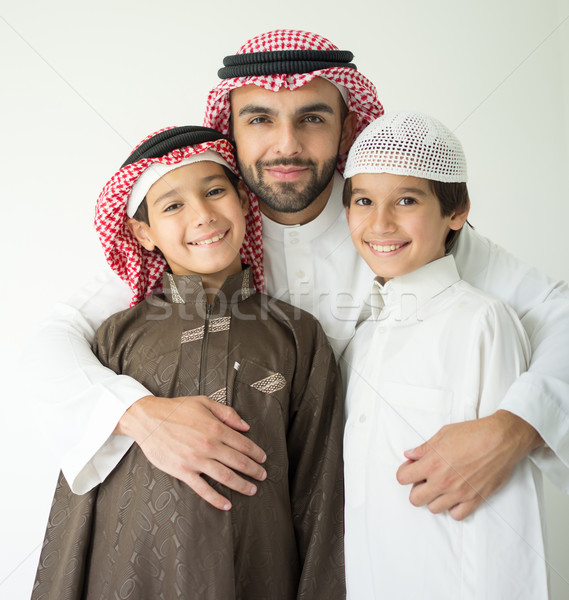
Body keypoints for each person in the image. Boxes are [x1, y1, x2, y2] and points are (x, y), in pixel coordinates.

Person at [30, 29, 569, 520]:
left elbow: (557, 313)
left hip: (404, 508)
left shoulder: (393, 223)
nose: (286, 144)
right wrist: (139, 415)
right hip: (258, 517)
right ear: (231, 130)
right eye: (260, 119)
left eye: (311, 117)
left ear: (347, 128)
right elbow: (55, 338)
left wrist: (517, 427)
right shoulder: (212, 235)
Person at [31, 126, 345, 599]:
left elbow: (320, 496)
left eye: (215, 191)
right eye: (173, 205)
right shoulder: (117, 335)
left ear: (243, 201)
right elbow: (79, 498)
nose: (202, 215)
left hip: (259, 573)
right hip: (127, 577)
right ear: (143, 233)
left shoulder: (298, 337)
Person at [341, 111, 566, 599]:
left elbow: (506, 523)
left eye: (406, 200)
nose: (380, 222)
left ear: (456, 211)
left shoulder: (483, 322)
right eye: (363, 201)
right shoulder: (362, 339)